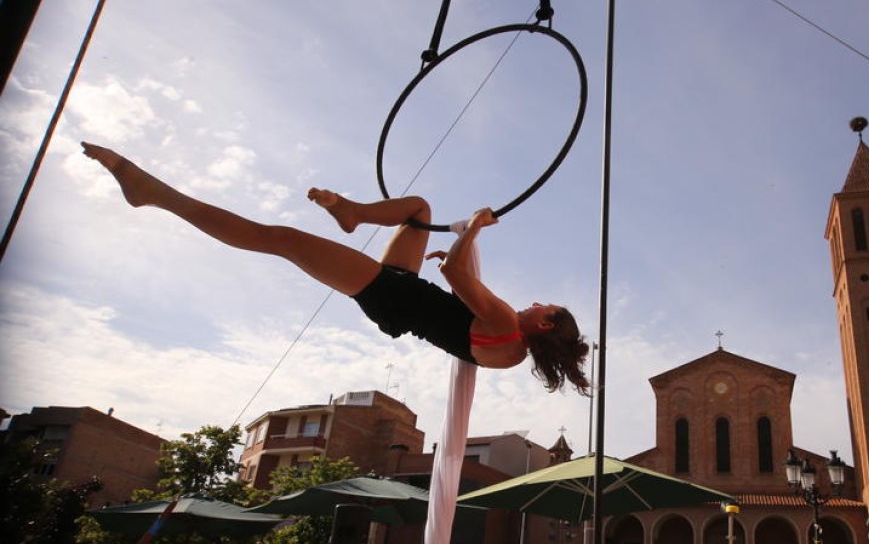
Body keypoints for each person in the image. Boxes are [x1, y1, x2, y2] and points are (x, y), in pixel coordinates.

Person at [81, 142, 591, 394]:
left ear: (545, 322)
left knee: (278, 238)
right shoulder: (509, 350)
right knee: (419, 208)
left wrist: (475, 227)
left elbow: (457, 278)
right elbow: (458, 309)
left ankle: (156, 196)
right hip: (403, 295)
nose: (533, 302)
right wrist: (451, 253)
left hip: (392, 297)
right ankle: (354, 212)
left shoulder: (509, 327)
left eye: (541, 305)